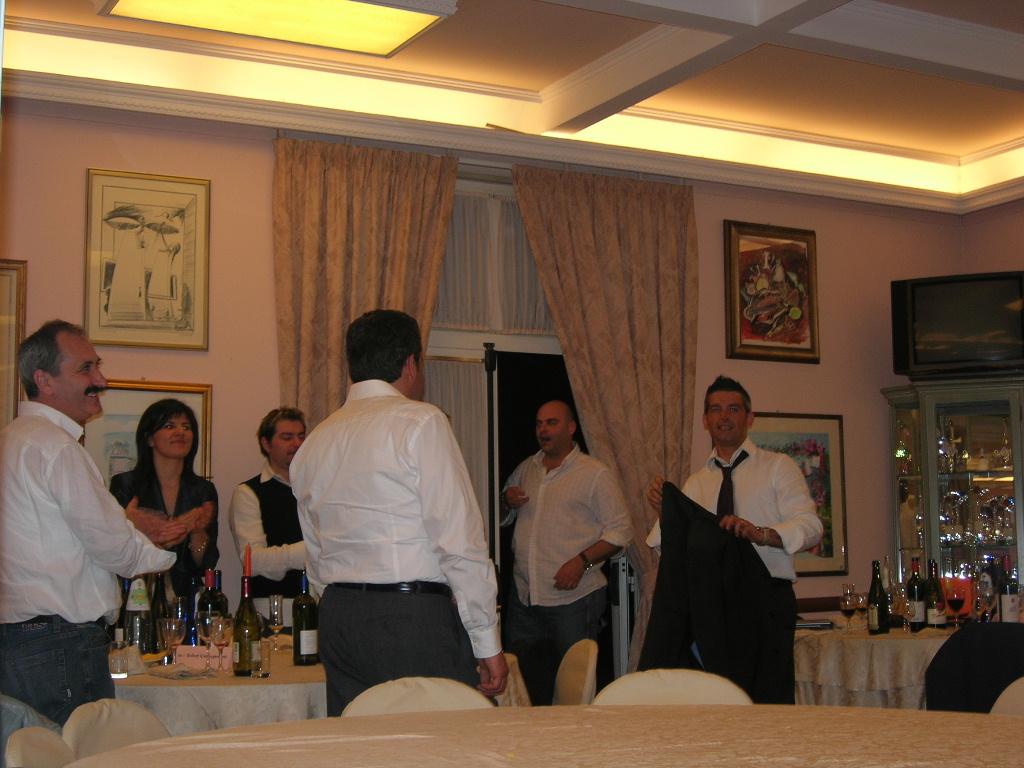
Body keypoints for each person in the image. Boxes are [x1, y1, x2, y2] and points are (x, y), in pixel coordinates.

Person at [290, 309, 507, 714]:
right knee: (440, 740)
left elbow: (314, 552)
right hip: (409, 617)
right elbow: (459, 541)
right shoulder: (420, 421)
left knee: (362, 740)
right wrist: (487, 641)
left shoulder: (316, 440)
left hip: (339, 616)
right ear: (411, 363)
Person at [0, 320, 175, 724]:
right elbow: (114, 548)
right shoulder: (56, 447)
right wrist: (165, 547)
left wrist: (126, 525)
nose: (101, 380)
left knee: (32, 750)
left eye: (97, 366)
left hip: (25, 642)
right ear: (44, 380)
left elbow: (70, 533)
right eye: (86, 369)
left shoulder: (14, 439)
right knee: (81, 752)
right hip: (60, 643)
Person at [645, 375, 823, 701]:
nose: (724, 416)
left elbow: (811, 526)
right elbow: (669, 554)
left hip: (766, 600)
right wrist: (666, 514)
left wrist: (762, 534)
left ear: (749, 417)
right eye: (716, 409)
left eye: (733, 409)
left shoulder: (777, 467)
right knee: (719, 701)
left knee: (766, 701)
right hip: (711, 610)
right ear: (705, 420)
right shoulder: (696, 483)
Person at [501, 400, 632, 704]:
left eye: (551, 422)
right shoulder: (526, 468)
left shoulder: (594, 474)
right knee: (524, 688)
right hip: (525, 599)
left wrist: (582, 562)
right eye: (539, 424)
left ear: (571, 427)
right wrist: (507, 500)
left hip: (573, 601)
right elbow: (504, 516)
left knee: (574, 689)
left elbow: (621, 531)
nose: (543, 430)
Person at [110, 398, 218, 599]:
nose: (180, 432)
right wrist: (136, 526)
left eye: (186, 427)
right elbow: (116, 549)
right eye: (169, 426)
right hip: (138, 595)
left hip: (185, 599)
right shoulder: (125, 485)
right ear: (149, 439)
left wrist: (197, 531)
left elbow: (206, 563)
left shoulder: (203, 490)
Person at [229, 407, 307, 598]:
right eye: (287, 437)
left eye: (301, 436)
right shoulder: (248, 493)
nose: (297, 444)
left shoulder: (319, 486)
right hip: (272, 604)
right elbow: (252, 561)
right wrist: (308, 551)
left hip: (321, 602)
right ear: (266, 443)